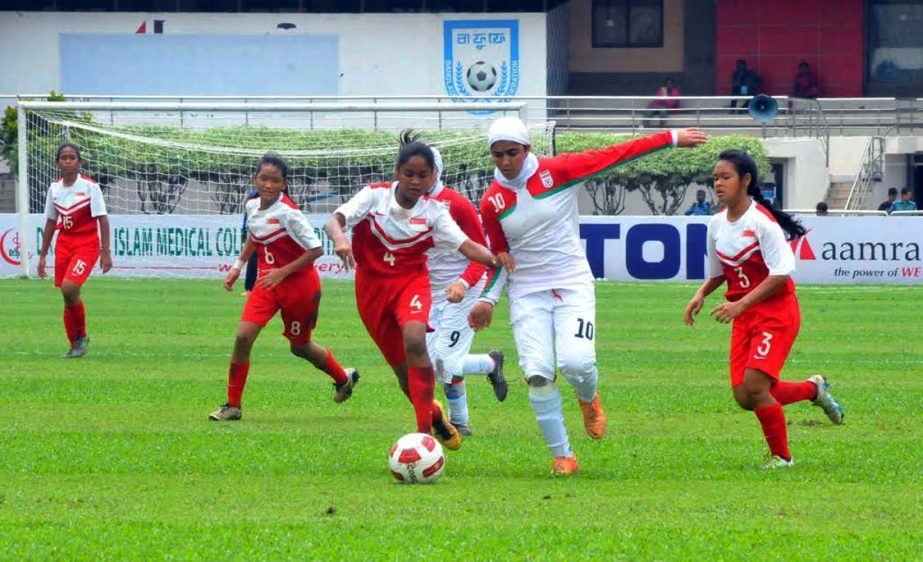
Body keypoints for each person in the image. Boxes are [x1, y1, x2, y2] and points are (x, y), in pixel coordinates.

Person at [468, 117, 709, 475]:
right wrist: (487, 299)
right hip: (527, 292)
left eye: (512, 153)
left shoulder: (559, 171)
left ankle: (588, 398)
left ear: (528, 149)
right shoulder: (491, 201)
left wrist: (671, 138)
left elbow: (616, 154)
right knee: (537, 373)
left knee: (576, 363)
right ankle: (563, 455)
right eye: (497, 155)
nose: (505, 162)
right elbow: (502, 257)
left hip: (571, 283)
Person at [324, 131, 497, 450]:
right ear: (397, 173)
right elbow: (334, 221)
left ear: (432, 176)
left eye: (422, 175)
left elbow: (469, 247)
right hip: (372, 291)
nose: (415, 181)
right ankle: (432, 413)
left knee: (416, 341)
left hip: (412, 284)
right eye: (409, 174)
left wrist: (497, 259)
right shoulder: (374, 196)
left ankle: (423, 439)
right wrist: (340, 240)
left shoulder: (436, 212)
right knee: (405, 376)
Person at [683, 149, 844, 470]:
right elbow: (719, 273)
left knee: (756, 387)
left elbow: (782, 272)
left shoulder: (761, 223)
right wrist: (700, 294)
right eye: (715, 177)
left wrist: (740, 303)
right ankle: (814, 389)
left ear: (746, 180)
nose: (718, 183)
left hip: (776, 312)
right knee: (745, 397)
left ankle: (782, 458)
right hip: (744, 315)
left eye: (725, 177)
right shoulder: (715, 224)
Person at [209, 153, 358, 421]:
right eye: (263, 179)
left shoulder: (290, 213)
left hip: (300, 286)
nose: (268, 185)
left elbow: (316, 249)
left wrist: (283, 272)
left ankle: (343, 378)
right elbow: (255, 236)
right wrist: (237, 265)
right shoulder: (252, 205)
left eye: (274, 180)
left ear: (283, 185)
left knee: (299, 347)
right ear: (255, 180)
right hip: (267, 283)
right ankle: (233, 405)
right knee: (242, 338)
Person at [425, 147, 508, 436]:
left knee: (446, 362)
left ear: (437, 170)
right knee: (431, 365)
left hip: (464, 290)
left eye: (425, 171)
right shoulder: (405, 203)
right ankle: (490, 363)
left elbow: (483, 255)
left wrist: (463, 283)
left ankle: (459, 421)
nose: (417, 178)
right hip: (427, 294)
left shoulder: (456, 205)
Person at [37, 143, 113, 358]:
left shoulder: (90, 187)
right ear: (57, 162)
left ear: (79, 162)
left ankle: (80, 338)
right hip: (64, 245)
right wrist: (43, 256)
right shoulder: (54, 189)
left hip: (86, 245)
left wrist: (105, 251)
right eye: (64, 157)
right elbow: (51, 222)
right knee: (68, 295)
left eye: (72, 157)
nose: (68, 161)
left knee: (69, 288)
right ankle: (77, 341)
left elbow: (103, 219)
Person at [241, 186, 259, 295]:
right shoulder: (253, 196)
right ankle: (249, 289)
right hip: (255, 234)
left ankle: (250, 289)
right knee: (252, 260)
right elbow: (246, 217)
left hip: (269, 233)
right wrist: (244, 229)